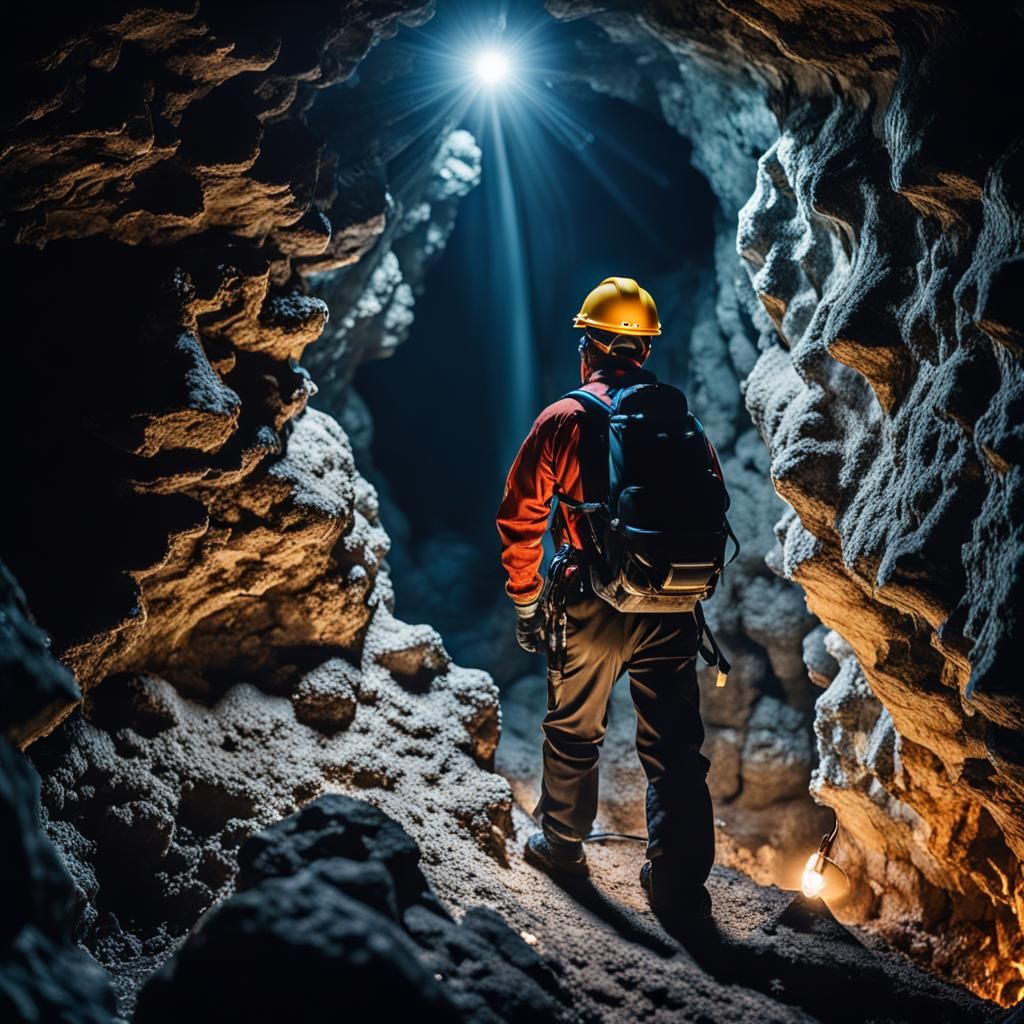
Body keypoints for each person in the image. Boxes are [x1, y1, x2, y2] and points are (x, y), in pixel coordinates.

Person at [496, 276, 723, 918]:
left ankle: (564, 846)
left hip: (589, 602)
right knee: (675, 749)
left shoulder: (564, 419)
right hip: (670, 603)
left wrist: (524, 600)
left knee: (574, 730)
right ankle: (678, 881)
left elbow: (519, 519)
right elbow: (711, 503)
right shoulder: (682, 419)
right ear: (644, 350)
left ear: (587, 346)